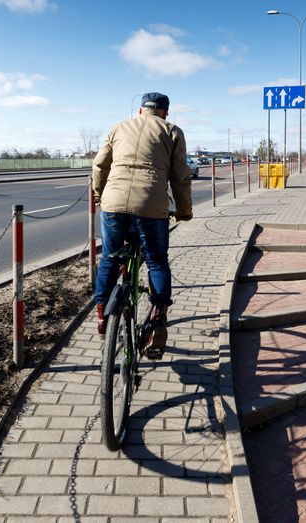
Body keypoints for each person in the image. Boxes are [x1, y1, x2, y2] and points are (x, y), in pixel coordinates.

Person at [92, 92, 193, 359]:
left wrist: (99, 195)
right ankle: (159, 318)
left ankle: (102, 317)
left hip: (114, 204)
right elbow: (180, 176)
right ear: (165, 113)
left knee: (109, 259)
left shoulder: (118, 127)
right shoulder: (171, 131)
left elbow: (100, 165)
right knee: (158, 261)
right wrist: (184, 211)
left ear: (139, 111)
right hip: (151, 206)